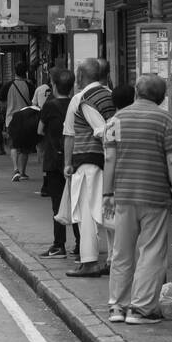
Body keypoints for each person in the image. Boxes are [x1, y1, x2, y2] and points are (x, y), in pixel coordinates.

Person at [103, 74, 172, 325]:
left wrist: (107, 193)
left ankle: (117, 306)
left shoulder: (116, 119)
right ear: (161, 97)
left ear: (137, 92)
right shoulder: (167, 119)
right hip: (155, 195)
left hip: (123, 195)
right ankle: (140, 310)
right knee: (151, 252)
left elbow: (109, 159)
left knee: (121, 252)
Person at [63, 58, 117, 277]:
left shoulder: (84, 99)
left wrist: (67, 164)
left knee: (88, 212)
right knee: (108, 210)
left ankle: (89, 262)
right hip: (107, 162)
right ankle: (114, 259)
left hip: (88, 161)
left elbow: (77, 133)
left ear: (80, 76)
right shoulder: (110, 95)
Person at [38, 68, 79, 258]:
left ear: (53, 85)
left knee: (57, 203)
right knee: (77, 202)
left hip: (54, 160)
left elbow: (40, 130)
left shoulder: (50, 105)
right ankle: (80, 244)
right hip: (75, 160)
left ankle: (59, 245)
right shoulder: (77, 103)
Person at [4, 61, 38, 181]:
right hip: (26, 119)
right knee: (25, 147)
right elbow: (34, 102)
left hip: (11, 119)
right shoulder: (30, 86)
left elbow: (2, 100)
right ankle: (23, 172)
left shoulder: (8, 85)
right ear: (26, 72)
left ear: (15, 71)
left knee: (14, 145)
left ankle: (15, 169)